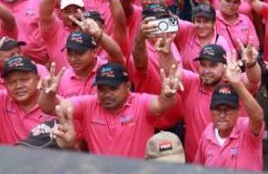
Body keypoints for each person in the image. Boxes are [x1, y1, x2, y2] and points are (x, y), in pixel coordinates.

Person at [38, 62, 181, 158]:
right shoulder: (89, 104)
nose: (106, 94)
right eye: (102, 89)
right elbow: (52, 107)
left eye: (113, 88)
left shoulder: (141, 103)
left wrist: (167, 95)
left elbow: (162, 105)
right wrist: (49, 94)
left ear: (127, 86)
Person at [194, 60, 265, 171]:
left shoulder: (246, 129)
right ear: (211, 111)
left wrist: (237, 84)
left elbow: (258, 117)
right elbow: (198, 170)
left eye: (228, 110)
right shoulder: (207, 134)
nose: (222, 115)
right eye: (217, 109)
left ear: (238, 111)